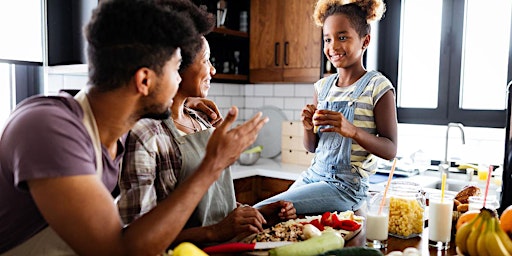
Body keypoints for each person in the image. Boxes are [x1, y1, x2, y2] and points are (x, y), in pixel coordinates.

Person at [0, 0, 268, 255]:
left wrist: (182, 105)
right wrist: (213, 163)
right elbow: (120, 251)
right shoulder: (47, 130)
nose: (178, 82)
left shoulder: (112, 131)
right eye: (176, 70)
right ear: (144, 80)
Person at [117, 35, 296, 246]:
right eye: (206, 60)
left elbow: (213, 203)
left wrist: (256, 215)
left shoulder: (201, 121)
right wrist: (216, 232)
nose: (212, 70)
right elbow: (136, 239)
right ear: (177, 65)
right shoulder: (147, 133)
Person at [254, 0, 397, 215]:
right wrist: (306, 127)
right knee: (271, 215)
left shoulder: (378, 87)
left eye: (342, 37)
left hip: (346, 188)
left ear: (365, 41)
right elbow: (313, 148)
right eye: (327, 39)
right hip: (313, 175)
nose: (333, 47)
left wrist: (353, 131)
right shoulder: (323, 87)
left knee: (263, 212)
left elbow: (391, 150)